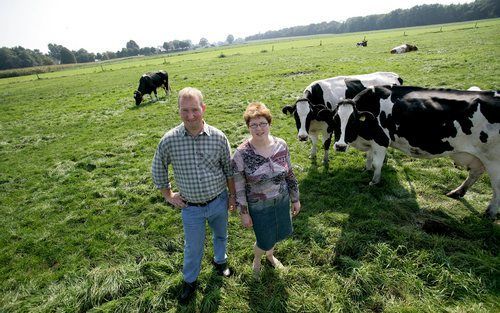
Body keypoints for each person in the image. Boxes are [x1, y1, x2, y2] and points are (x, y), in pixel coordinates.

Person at [152, 87, 236, 303]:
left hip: (218, 200)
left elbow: (229, 170)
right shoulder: (169, 140)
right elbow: (158, 168)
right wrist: (168, 195)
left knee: (221, 235)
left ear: (203, 108)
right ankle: (190, 281)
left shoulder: (218, 137)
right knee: (193, 246)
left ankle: (220, 261)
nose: (190, 116)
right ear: (178, 110)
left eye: (195, 110)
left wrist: (232, 196)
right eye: (185, 110)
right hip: (190, 208)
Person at [232, 102, 301, 278]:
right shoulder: (241, 154)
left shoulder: (281, 145)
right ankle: (257, 259)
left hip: (281, 200)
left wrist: (295, 198)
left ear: (269, 124)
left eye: (262, 123)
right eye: (253, 125)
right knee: (263, 239)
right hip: (259, 206)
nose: (259, 128)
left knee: (277, 233)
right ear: (248, 127)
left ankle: (270, 256)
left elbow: (290, 173)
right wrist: (244, 212)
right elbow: (238, 187)